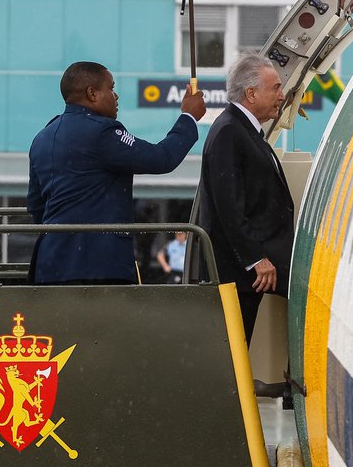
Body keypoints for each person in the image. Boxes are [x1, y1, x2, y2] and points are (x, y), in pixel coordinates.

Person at [27, 61, 206, 284]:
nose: (116, 96)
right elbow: (161, 158)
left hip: (49, 267)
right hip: (99, 268)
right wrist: (188, 117)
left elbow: (36, 206)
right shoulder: (102, 132)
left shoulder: (42, 137)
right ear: (92, 93)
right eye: (111, 88)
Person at [196, 54, 294, 345]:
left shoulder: (245, 130)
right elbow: (229, 206)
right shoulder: (229, 131)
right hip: (239, 274)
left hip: (251, 272)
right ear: (251, 93)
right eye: (276, 88)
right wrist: (255, 259)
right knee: (231, 353)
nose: (282, 95)